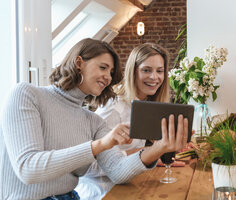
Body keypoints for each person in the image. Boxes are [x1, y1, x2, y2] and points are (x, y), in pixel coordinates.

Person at [0, 38, 188, 199]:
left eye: (111, 72)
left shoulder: (92, 120)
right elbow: (28, 169)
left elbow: (118, 172)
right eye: (103, 67)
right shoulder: (26, 94)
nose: (108, 77)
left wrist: (159, 147)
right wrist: (100, 145)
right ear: (79, 63)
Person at [76, 43, 171, 199]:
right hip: (102, 192)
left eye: (159, 71)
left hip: (129, 186)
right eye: (146, 70)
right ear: (132, 72)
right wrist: (141, 154)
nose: (154, 77)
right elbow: (87, 167)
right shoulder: (114, 107)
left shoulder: (144, 106)